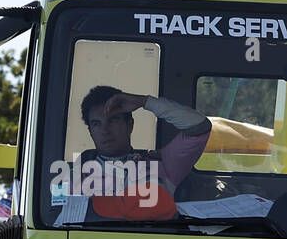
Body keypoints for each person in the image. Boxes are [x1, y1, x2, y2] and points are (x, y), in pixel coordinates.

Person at [70, 85, 212, 219]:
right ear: (90, 131)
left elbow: (200, 127)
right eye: (96, 124)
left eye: (113, 120)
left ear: (130, 125)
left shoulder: (162, 163)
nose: (105, 130)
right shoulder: (76, 176)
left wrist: (145, 102)